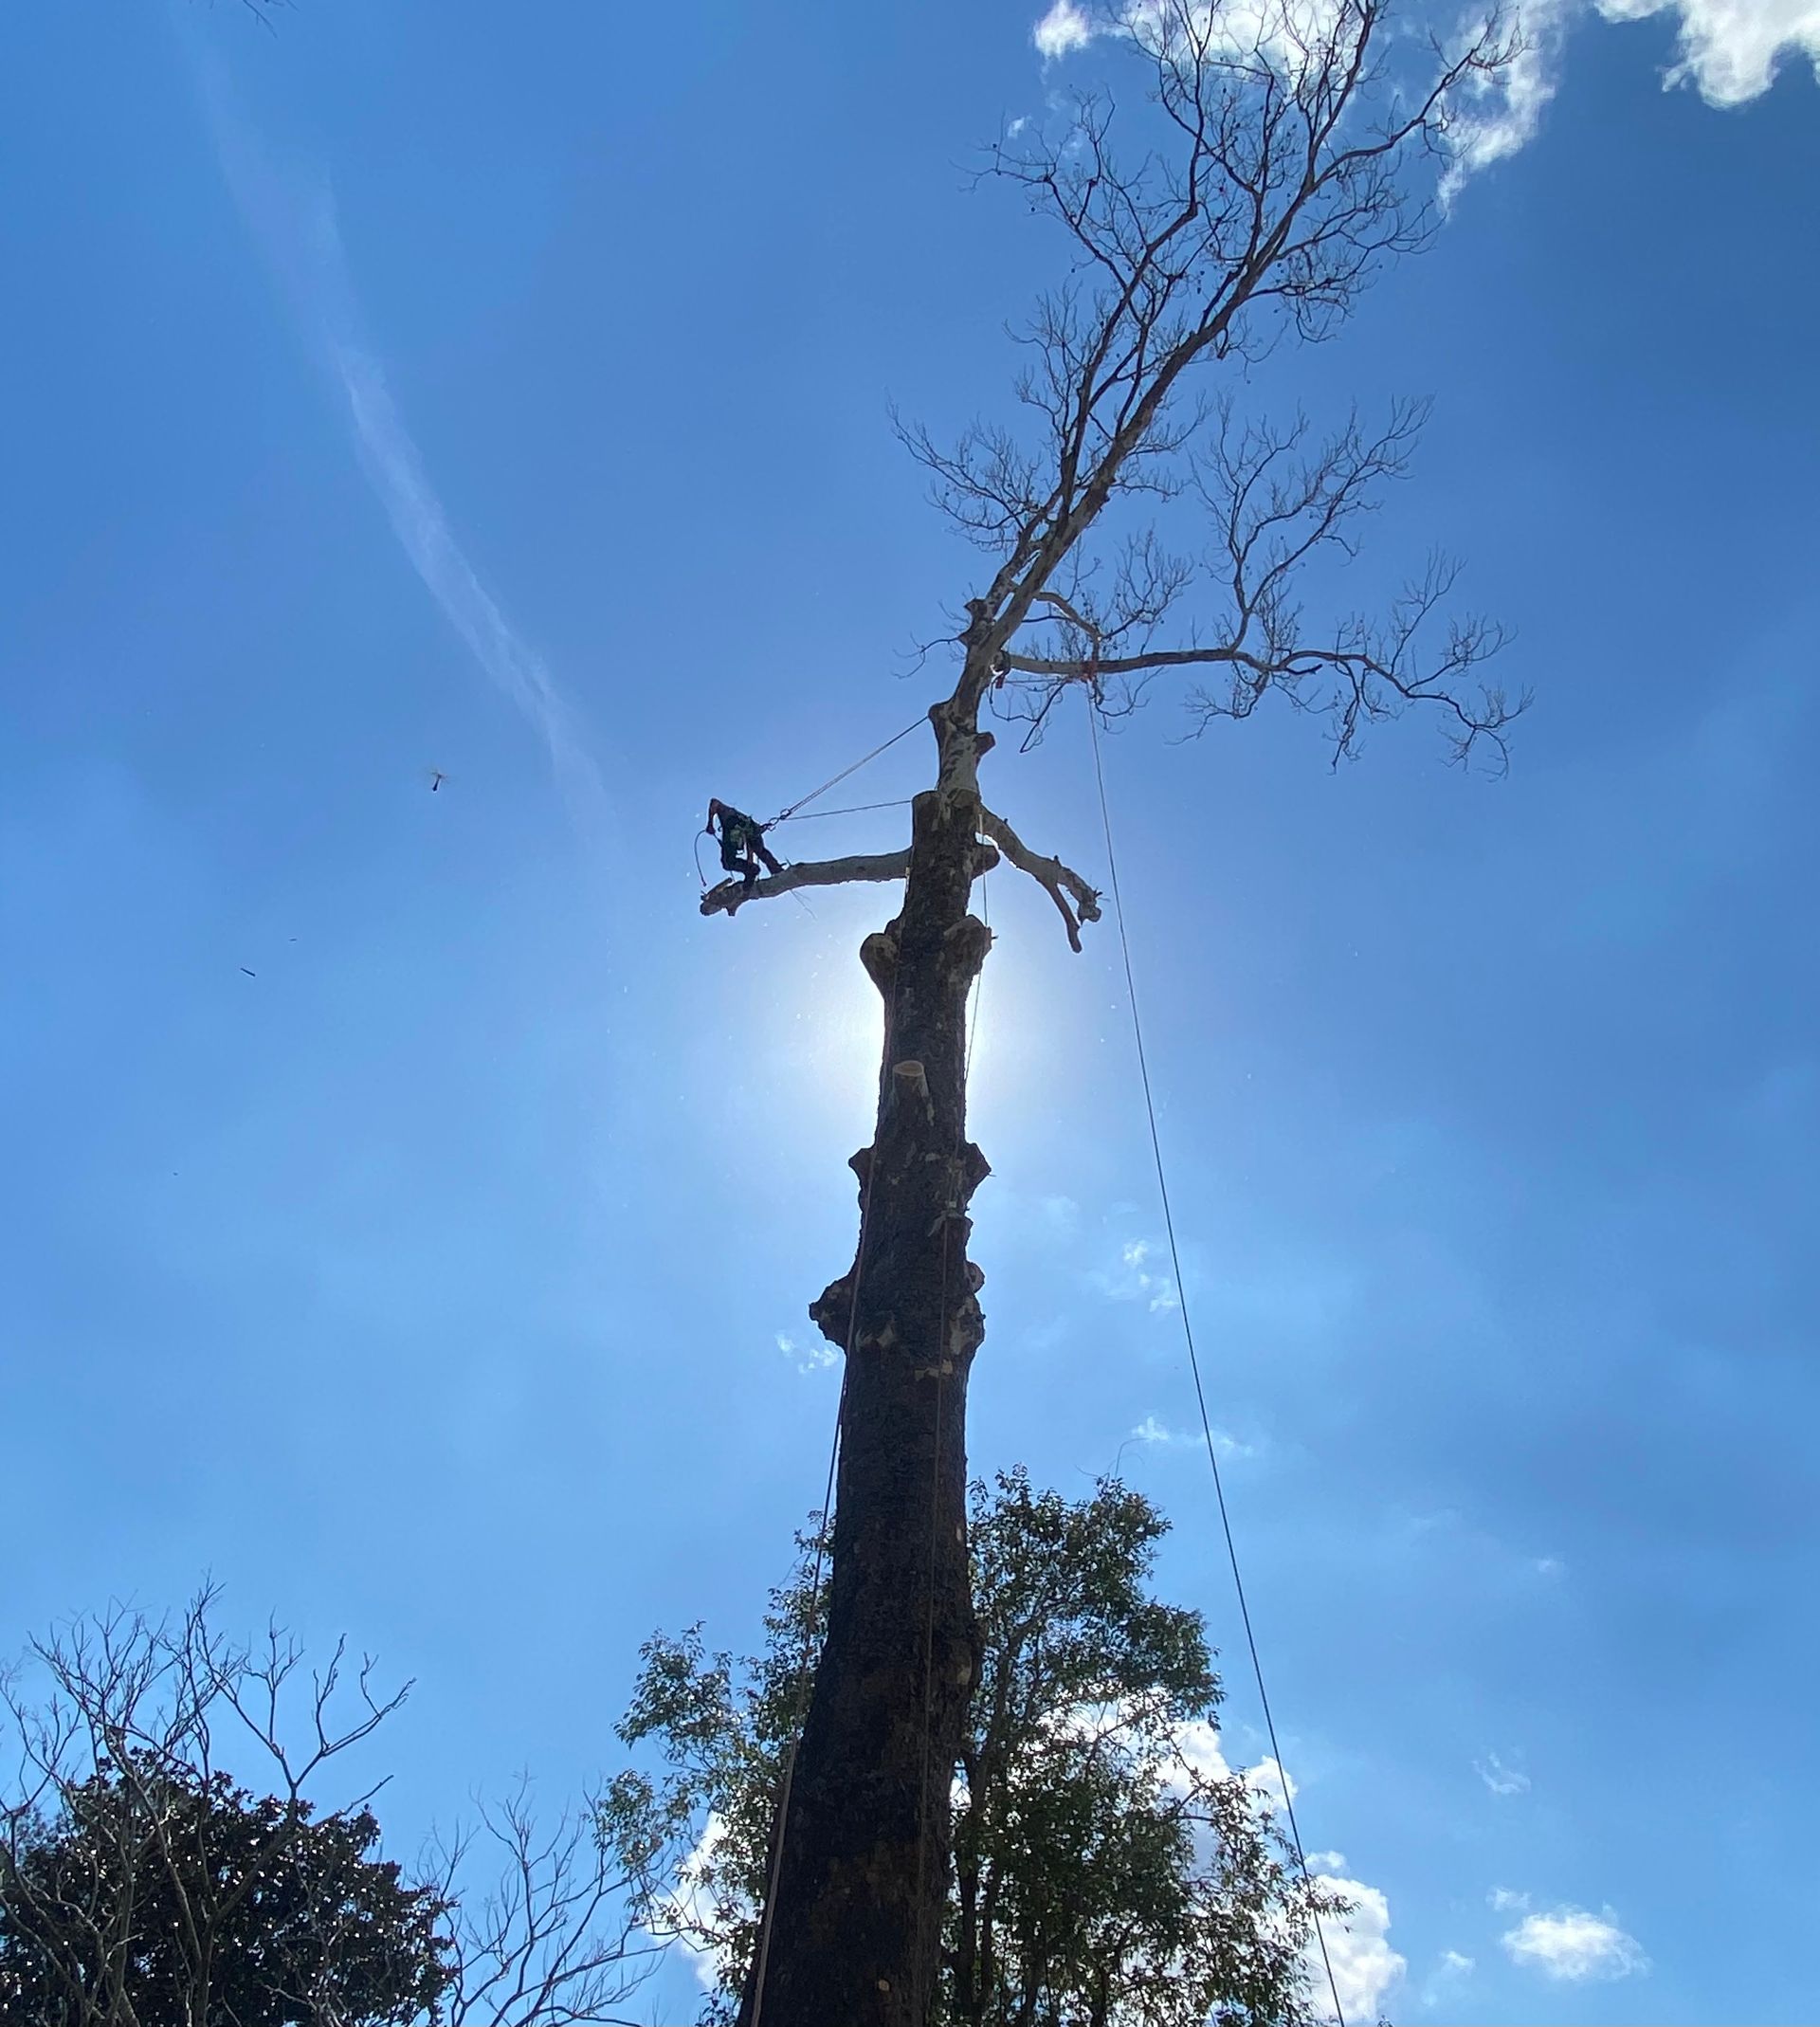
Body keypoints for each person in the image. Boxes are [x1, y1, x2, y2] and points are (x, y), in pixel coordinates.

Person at [705, 798, 782, 889]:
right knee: (760, 850)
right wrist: (750, 861)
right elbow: (749, 838)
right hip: (752, 828)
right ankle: (777, 870)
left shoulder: (727, 815)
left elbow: (714, 802)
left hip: (736, 827)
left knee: (728, 862)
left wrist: (710, 823)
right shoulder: (740, 820)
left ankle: (759, 870)